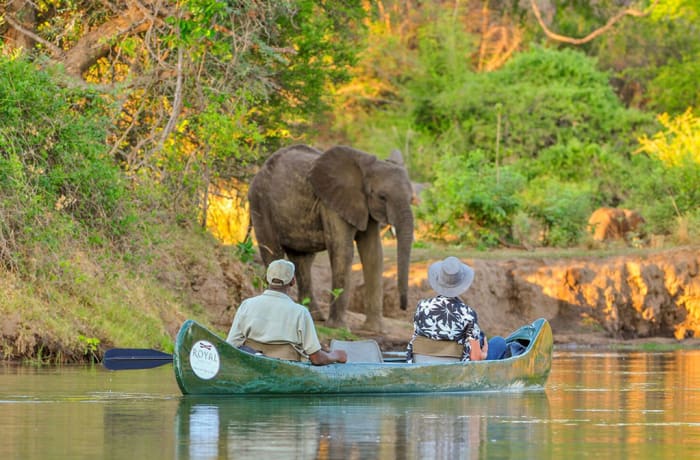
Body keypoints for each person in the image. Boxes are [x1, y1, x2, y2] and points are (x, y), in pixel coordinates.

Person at [226, 259, 347, 366]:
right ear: (293, 281)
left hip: (253, 366)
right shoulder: (300, 312)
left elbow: (230, 346)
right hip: (287, 370)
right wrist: (335, 355)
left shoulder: (247, 305)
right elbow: (317, 359)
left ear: (266, 279)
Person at [406, 256, 506, 363]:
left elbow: (417, 337)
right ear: (461, 284)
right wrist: (483, 354)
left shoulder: (421, 306)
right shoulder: (467, 313)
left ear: (438, 279)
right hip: (455, 370)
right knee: (499, 342)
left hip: (419, 362)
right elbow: (475, 358)